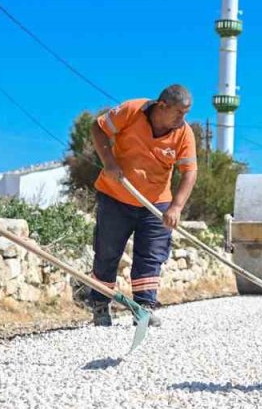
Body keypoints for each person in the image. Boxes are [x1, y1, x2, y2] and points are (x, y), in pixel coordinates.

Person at [80, 85, 198, 326]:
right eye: (179, 112)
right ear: (162, 106)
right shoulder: (132, 110)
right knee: (107, 252)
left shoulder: (183, 133)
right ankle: (101, 305)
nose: (182, 119)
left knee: (151, 256)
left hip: (156, 205)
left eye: (186, 113)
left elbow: (189, 172)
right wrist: (109, 162)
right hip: (115, 197)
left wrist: (176, 207)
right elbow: (98, 128)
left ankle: (143, 309)